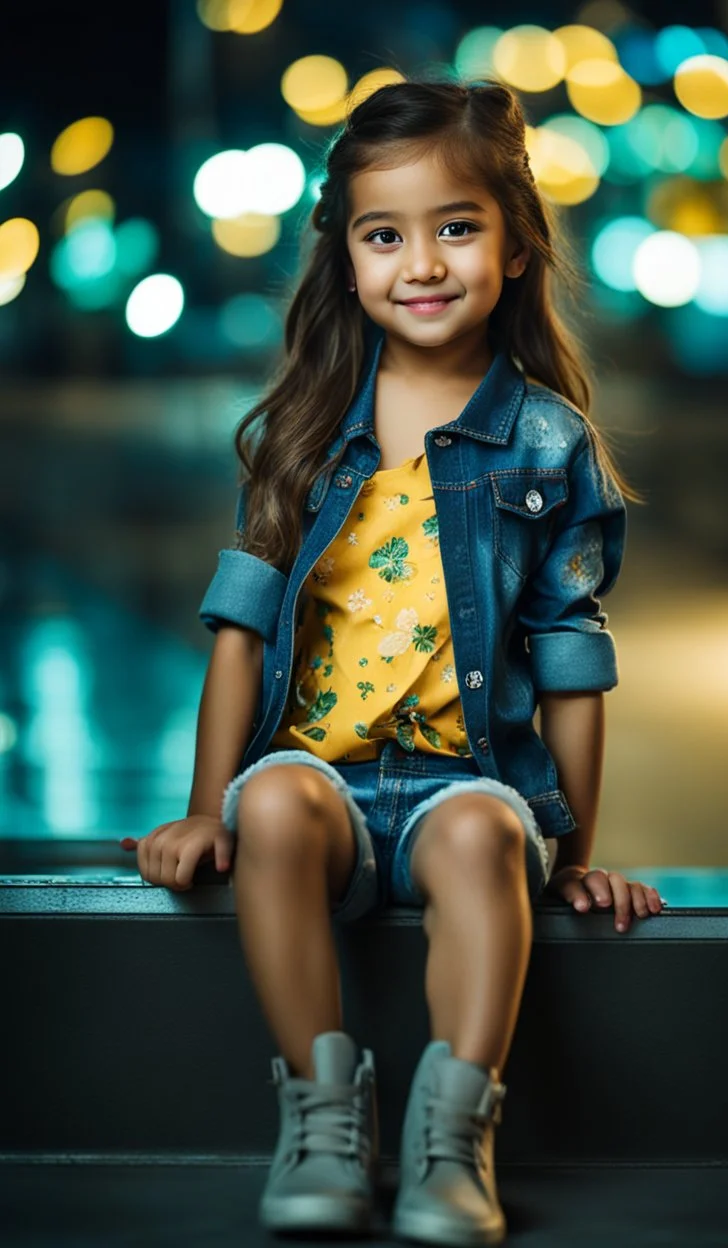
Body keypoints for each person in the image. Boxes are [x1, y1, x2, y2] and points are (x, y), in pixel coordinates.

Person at [122, 78, 666, 1246]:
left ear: (516, 244)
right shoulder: (304, 430)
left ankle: (452, 1142)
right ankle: (321, 1122)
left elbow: (572, 660)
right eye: (386, 235)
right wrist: (198, 808)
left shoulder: (546, 443)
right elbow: (243, 628)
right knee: (268, 803)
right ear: (350, 258)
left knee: (478, 836)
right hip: (320, 783)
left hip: (466, 787)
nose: (421, 262)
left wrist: (575, 852)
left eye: (455, 228)